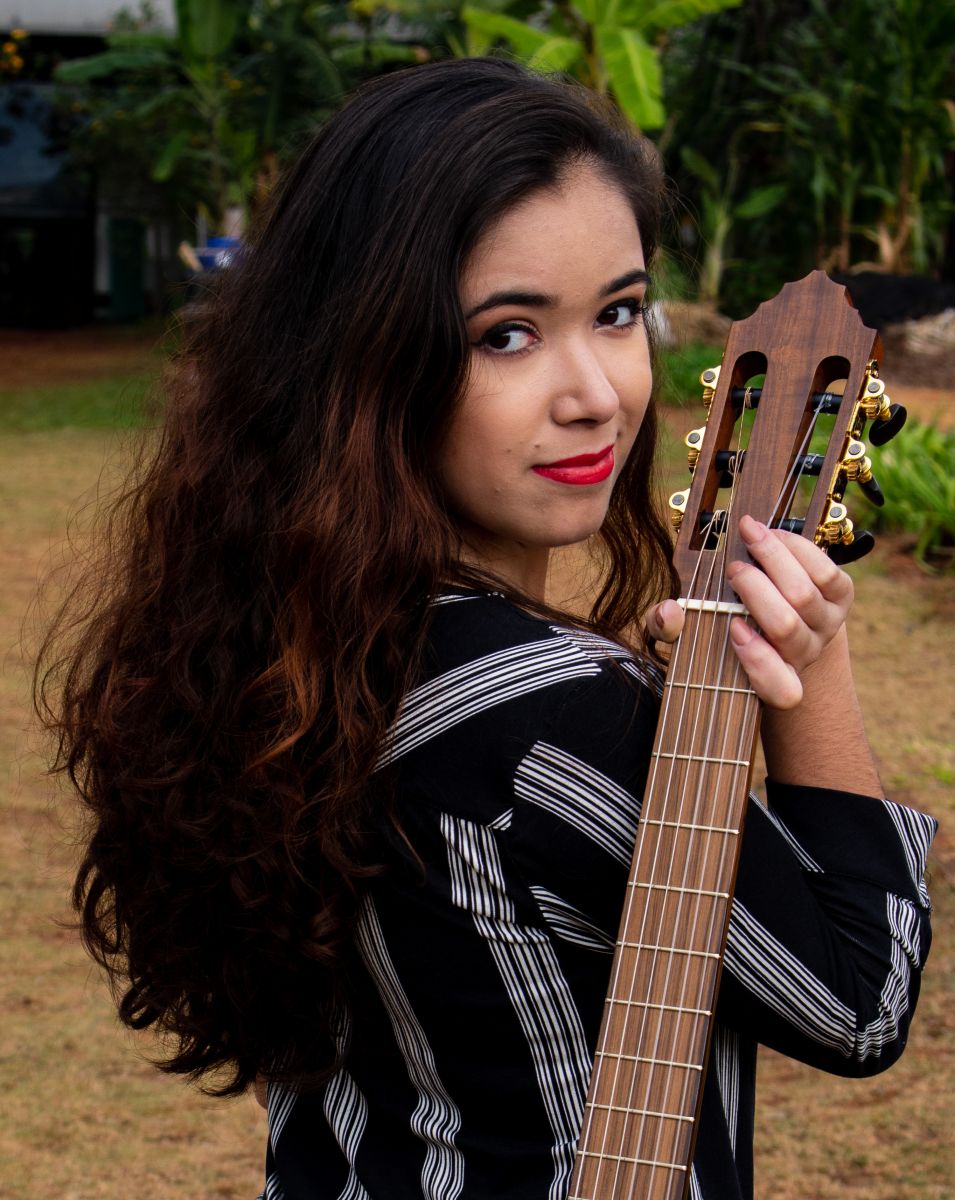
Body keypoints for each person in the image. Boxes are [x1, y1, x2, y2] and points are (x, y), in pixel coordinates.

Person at [37, 57, 935, 1200]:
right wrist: (819, 667)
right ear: (368, 362)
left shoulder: (269, 648)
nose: (596, 393)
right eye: (505, 334)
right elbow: (856, 1004)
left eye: (617, 313)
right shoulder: (565, 722)